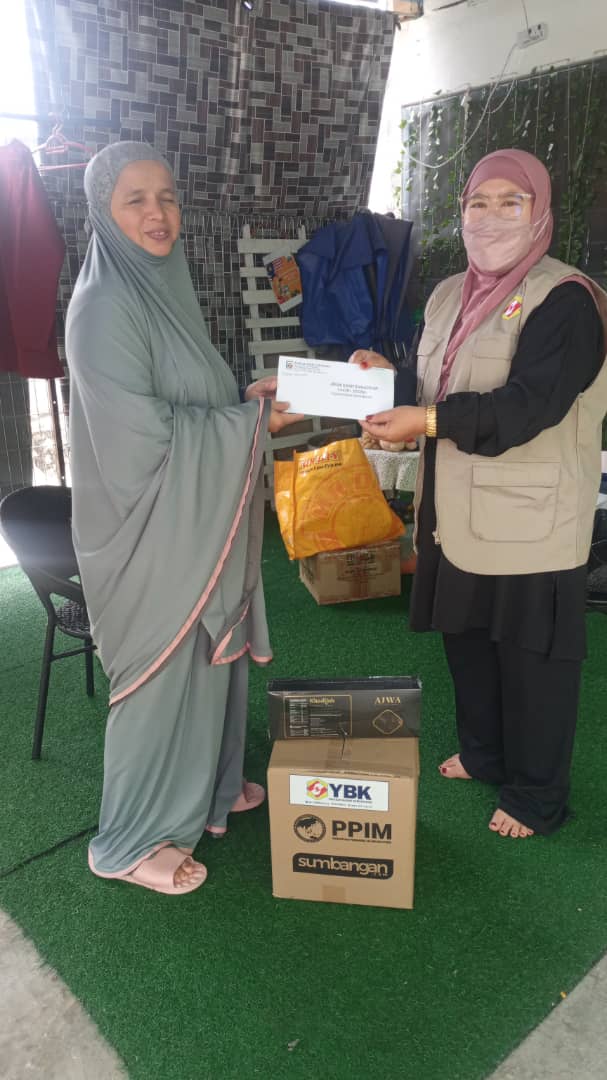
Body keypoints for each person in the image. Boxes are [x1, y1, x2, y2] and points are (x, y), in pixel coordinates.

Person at [66, 142, 302, 894]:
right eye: (135, 199)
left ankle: (205, 791)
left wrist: (245, 402)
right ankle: (129, 841)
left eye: (167, 196)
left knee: (208, 654)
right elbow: (142, 439)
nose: (157, 213)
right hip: (145, 529)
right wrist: (248, 427)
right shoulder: (103, 307)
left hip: (187, 516)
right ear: (103, 212)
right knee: (160, 672)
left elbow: (188, 396)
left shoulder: (165, 289)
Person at [352, 148, 607, 839]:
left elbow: (528, 407)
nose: (490, 217)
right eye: (477, 203)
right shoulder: (448, 294)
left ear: (539, 212)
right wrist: (382, 378)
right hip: (456, 512)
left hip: (531, 520)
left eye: (509, 203)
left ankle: (535, 796)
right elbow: (431, 387)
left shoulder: (566, 300)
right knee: (467, 642)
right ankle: (485, 753)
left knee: (532, 663)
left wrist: (427, 422)